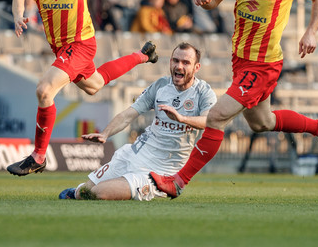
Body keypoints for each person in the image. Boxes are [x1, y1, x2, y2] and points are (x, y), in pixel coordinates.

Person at [149, 0, 318, 198]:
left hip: (264, 65)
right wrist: (206, 0)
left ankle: (177, 182)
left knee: (215, 117)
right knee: (261, 122)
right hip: (240, 62)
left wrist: (310, 32)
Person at [6, 0, 170, 176]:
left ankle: (38, 156)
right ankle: (143, 55)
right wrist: (18, 14)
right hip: (60, 45)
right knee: (93, 85)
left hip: (81, 41)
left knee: (45, 90)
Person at [58, 42, 217, 201]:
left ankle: (135, 187)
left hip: (162, 171)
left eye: (186, 63)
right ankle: (79, 190)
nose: (179, 66)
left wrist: (182, 119)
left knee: (99, 193)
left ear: (197, 67)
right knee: (84, 193)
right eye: (175, 60)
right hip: (134, 154)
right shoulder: (161, 85)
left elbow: (209, 121)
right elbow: (128, 114)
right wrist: (105, 134)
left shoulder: (203, 92)